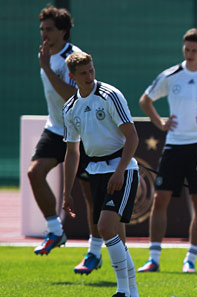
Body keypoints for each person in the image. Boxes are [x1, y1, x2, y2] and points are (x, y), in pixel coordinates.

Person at [137, 28, 197, 274]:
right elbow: (145, 100)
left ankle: (190, 259)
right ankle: (153, 258)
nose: (190, 53)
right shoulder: (172, 75)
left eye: (195, 50)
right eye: (186, 49)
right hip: (174, 145)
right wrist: (160, 123)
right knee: (160, 199)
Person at [30, 5, 103, 275]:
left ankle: (94, 252)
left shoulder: (74, 57)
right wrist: (46, 65)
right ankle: (55, 230)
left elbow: (71, 96)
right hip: (55, 129)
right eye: (42, 29)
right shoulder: (46, 56)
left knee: (88, 195)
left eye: (49, 29)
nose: (44, 34)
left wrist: (47, 69)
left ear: (63, 30)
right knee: (34, 173)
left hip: (81, 133)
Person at [62, 52, 139, 297]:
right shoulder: (70, 108)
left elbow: (132, 136)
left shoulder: (110, 95)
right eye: (83, 73)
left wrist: (119, 172)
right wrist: (66, 192)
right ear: (72, 77)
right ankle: (133, 293)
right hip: (95, 172)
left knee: (105, 227)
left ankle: (122, 291)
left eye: (91, 70)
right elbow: (72, 153)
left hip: (122, 169)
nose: (89, 76)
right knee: (117, 236)